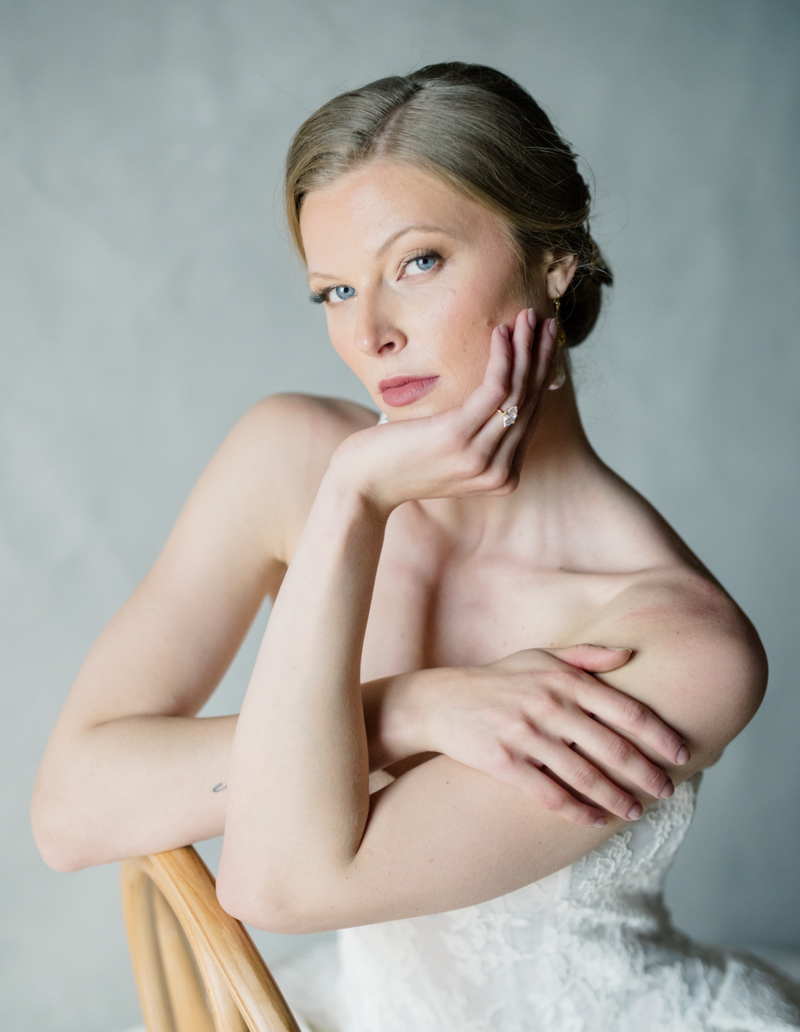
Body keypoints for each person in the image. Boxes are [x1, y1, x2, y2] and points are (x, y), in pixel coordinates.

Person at [32, 63, 799, 1031]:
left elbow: (276, 886)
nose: (370, 331)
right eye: (335, 290)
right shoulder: (296, 460)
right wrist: (411, 704)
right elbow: (69, 815)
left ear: (552, 260)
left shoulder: (680, 646)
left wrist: (358, 499)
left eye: (419, 263)